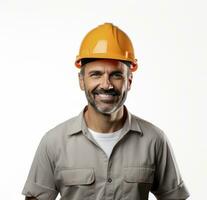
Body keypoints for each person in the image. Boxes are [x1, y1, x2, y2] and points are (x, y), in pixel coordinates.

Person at [22, 23, 190, 200]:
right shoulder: (53, 142)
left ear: (129, 81)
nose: (106, 84)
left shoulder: (154, 140)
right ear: (81, 81)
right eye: (96, 74)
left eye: (116, 75)